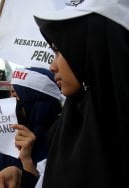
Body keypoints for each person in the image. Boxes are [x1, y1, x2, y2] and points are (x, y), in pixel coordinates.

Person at [33, 1, 129, 187]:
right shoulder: (68, 123)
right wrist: (24, 175)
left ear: (94, 50)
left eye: (59, 50)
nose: (52, 66)